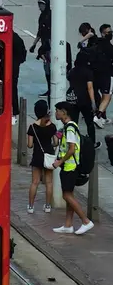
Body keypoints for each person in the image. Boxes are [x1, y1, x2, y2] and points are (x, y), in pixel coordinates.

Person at [51, 102, 95, 235]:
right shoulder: (68, 127)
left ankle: (86, 221)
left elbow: (71, 149)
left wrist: (60, 162)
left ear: (64, 112)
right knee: (69, 194)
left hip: (70, 167)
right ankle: (68, 225)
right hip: (69, 166)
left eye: (57, 110)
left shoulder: (70, 128)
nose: (56, 113)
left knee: (66, 195)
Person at [26, 99, 56, 214]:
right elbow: (55, 142)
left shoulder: (32, 127)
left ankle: (30, 206)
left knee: (35, 182)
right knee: (49, 182)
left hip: (37, 156)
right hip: (49, 155)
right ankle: (48, 206)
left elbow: (29, 145)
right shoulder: (52, 126)